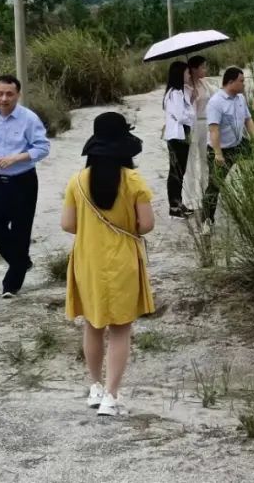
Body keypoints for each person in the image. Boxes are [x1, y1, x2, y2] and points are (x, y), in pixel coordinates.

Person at [62, 112, 154, 417]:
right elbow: (147, 225)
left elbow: (68, 225)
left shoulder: (77, 181)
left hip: (88, 260)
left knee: (92, 324)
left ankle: (95, 386)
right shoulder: (134, 181)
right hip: (122, 261)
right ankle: (112, 397)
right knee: (120, 329)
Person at [0, 75, 50, 298]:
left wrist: (16, 158)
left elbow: (43, 147)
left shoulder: (29, 119)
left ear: (18, 95)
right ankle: (21, 262)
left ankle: (11, 284)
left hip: (24, 179)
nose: (4, 98)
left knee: (21, 231)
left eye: (9, 94)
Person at [202, 67, 254, 230]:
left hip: (239, 144)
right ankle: (207, 220)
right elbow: (214, 129)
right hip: (220, 149)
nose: (244, 84)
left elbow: (248, 120)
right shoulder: (216, 102)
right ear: (231, 82)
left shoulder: (240, 98)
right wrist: (218, 153)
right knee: (215, 185)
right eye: (241, 81)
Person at [162, 61, 195, 218]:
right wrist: (192, 114)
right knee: (175, 171)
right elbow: (182, 116)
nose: (189, 75)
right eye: (187, 72)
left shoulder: (182, 92)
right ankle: (174, 207)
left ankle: (179, 202)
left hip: (183, 134)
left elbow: (186, 113)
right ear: (180, 74)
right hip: (177, 136)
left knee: (180, 171)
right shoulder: (174, 93)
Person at [183, 55, 212, 213]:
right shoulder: (186, 86)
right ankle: (190, 199)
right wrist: (191, 96)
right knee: (191, 162)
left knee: (205, 160)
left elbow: (213, 99)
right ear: (194, 69)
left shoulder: (204, 83)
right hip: (193, 125)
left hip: (206, 123)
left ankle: (205, 195)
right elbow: (185, 110)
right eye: (202, 67)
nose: (204, 70)